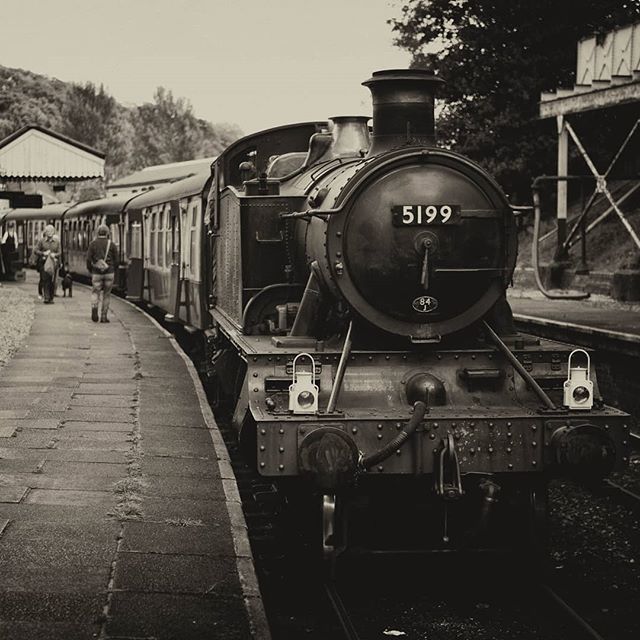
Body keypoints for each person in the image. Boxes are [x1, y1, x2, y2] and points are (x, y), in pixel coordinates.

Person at [86, 224, 118, 323]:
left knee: (95, 292)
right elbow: (116, 260)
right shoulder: (112, 244)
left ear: (97, 232)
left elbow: (88, 259)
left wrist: (91, 269)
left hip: (96, 273)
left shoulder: (93, 244)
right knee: (107, 295)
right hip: (109, 272)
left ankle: (94, 310)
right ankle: (104, 317)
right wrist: (113, 269)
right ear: (107, 233)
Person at [34, 225, 60, 304]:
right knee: (45, 280)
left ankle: (51, 297)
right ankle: (46, 297)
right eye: (48, 234)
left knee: (52, 281)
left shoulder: (57, 242)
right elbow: (35, 250)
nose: (50, 237)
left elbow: (60, 252)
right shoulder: (41, 241)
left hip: (53, 263)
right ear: (45, 233)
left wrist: (55, 255)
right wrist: (43, 253)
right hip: (43, 263)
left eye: (51, 235)